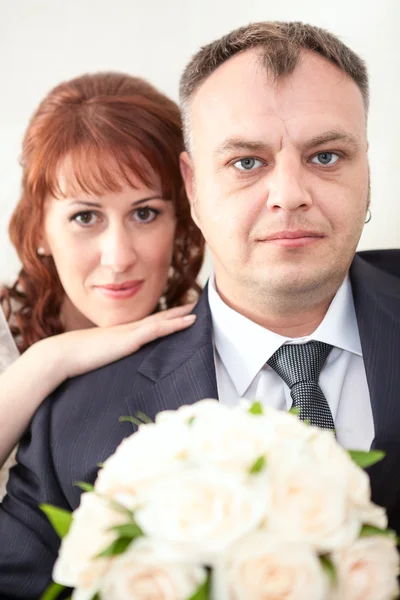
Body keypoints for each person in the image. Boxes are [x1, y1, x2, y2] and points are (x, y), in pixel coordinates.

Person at [1, 21, 400, 598]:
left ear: (368, 167)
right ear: (193, 186)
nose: (289, 194)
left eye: (327, 154)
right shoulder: (71, 420)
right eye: (246, 162)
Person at [0, 72, 204, 498]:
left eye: (145, 213)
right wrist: (48, 361)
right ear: (39, 230)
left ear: (180, 221)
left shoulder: (207, 336)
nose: (119, 256)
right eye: (85, 217)